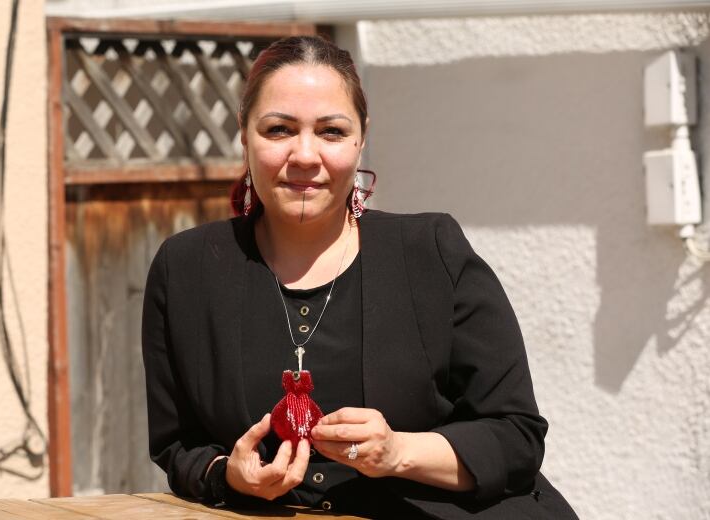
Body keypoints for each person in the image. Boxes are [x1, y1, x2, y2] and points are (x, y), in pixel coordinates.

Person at [141, 35, 578, 519]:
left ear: (361, 137)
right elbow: (178, 446)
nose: (305, 155)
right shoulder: (186, 269)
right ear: (244, 133)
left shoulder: (431, 252)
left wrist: (397, 453)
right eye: (279, 129)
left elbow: (516, 435)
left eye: (330, 131)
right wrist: (229, 474)